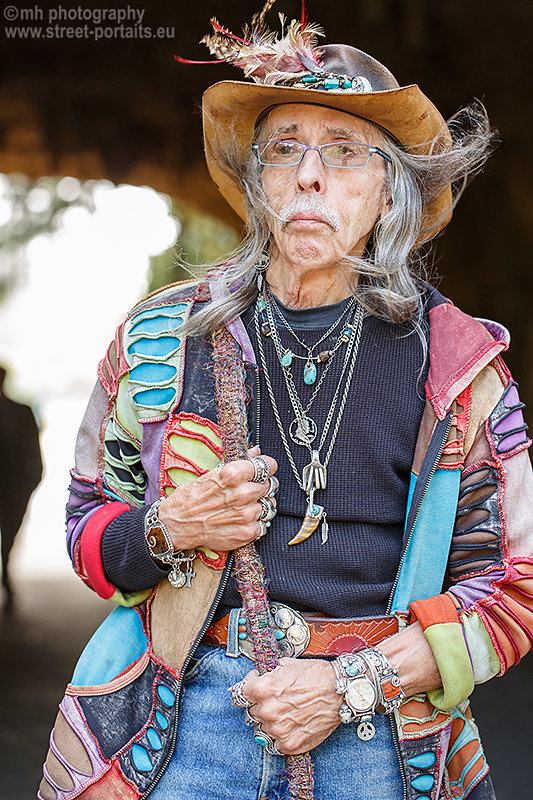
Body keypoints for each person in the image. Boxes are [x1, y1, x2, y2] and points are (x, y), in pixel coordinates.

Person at [39, 4, 533, 799]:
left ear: (387, 194)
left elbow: (511, 587)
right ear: (258, 183)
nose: (309, 174)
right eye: (285, 151)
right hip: (185, 728)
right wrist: (173, 526)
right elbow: (84, 530)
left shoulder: (460, 367)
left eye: (344, 153)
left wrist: (348, 685)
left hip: (380, 730)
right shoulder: (160, 341)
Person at [0, 365, 42, 608]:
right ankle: (6, 575)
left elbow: (32, 450)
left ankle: (6, 572)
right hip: (16, 484)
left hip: (15, 486)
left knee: (11, 533)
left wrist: (32, 479)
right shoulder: (21, 411)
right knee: (10, 534)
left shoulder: (21, 412)